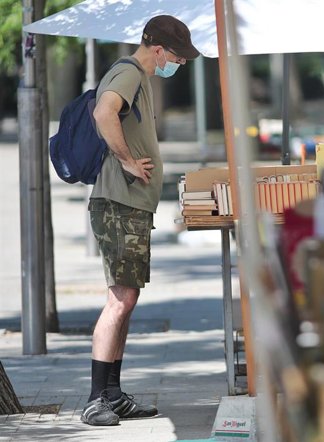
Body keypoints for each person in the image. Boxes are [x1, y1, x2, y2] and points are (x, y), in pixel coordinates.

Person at [81, 15, 200, 426]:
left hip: (130, 205)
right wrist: (128, 161)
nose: (179, 64)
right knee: (120, 300)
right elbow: (103, 113)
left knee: (127, 299)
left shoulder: (138, 78)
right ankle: (96, 398)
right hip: (118, 202)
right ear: (158, 50)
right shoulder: (129, 72)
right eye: (178, 57)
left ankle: (112, 392)